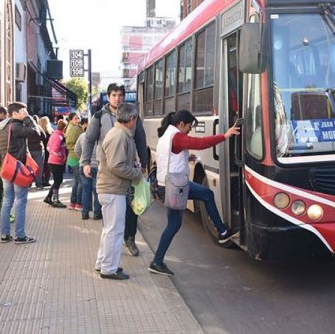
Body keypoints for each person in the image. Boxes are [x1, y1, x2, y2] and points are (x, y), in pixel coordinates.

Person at [149, 110, 239, 276]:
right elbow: (200, 143)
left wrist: (186, 157)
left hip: (168, 184)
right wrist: (224, 136)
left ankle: (157, 261)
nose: (190, 130)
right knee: (202, 199)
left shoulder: (167, 134)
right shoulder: (176, 136)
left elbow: (170, 157)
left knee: (177, 221)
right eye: (189, 127)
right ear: (181, 124)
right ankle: (222, 232)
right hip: (173, 187)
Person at [81, 83, 148, 257]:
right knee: (111, 214)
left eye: (120, 95)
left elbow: (141, 140)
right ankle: (109, 253)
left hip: (128, 167)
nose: (117, 98)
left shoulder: (133, 116)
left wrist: (144, 164)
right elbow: (88, 140)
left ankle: (130, 238)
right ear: (108, 97)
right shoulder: (99, 116)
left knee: (132, 207)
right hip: (107, 171)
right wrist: (86, 162)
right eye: (114, 95)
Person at [94, 103, 142, 280]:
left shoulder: (118, 134)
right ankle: (109, 268)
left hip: (110, 188)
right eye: (136, 119)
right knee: (115, 231)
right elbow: (117, 165)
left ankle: (103, 263)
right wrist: (136, 174)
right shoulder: (120, 136)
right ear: (131, 119)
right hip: (113, 189)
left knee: (109, 230)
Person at [0, 101, 41, 244]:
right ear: (15, 113)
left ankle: (5, 235)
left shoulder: (3, 128)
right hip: (18, 169)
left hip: (6, 169)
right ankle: (20, 236)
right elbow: (37, 133)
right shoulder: (18, 126)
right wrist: (30, 119)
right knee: (20, 201)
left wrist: (5, 161)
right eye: (23, 111)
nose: (26, 113)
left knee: (7, 201)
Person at [44, 119, 68, 208]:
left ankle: (49, 197)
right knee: (58, 181)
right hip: (57, 163)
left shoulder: (54, 134)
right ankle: (55, 199)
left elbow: (48, 147)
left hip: (51, 161)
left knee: (57, 181)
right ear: (64, 128)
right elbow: (55, 149)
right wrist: (60, 156)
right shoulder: (59, 137)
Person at [65, 112, 83, 210]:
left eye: (78, 118)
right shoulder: (77, 129)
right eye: (76, 118)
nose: (78, 120)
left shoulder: (69, 127)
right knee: (80, 181)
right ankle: (78, 203)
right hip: (76, 157)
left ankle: (73, 202)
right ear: (71, 119)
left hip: (71, 157)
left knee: (76, 181)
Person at [27, 115, 46, 189]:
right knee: (39, 167)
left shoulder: (26, 128)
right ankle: (39, 183)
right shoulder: (38, 127)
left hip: (29, 149)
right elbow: (44, 136)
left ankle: (29, 183)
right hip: (38, 149)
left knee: (29, 167)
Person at [38, 116, 53, 187]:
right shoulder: (50, 132)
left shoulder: (39, 131)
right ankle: (46, 180)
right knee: (47, 167)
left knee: (41, 166)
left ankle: (41, 180)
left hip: (41, 150)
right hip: (49, 151)